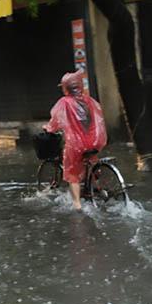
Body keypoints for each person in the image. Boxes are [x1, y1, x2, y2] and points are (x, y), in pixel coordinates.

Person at [43, 72, 107, 211]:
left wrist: (49, 129)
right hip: (95, 141)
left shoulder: (64, 103)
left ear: (65, 88)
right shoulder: (90, 101)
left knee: (72, 174)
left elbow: (55, 121)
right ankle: (98, 188)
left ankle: (77, 204)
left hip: (76, 144)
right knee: (91, 162)